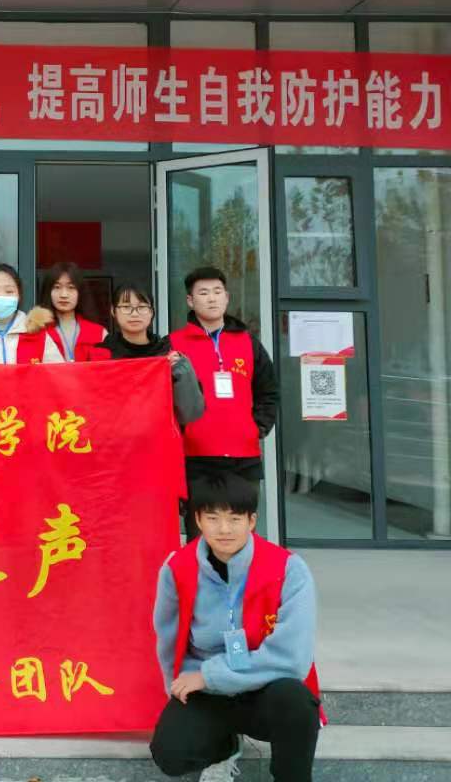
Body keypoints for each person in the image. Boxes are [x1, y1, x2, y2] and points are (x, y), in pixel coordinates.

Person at [149, 474, 323, 782]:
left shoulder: (288, 569)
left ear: (252, 521)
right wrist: (180, 687)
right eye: (213, 518)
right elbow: (168, 640)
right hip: (207, 692)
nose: (224, 529)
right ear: (198, 520)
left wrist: (210, 675)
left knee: (296, 703)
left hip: (264, 687)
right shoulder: (178, 568)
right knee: (170, 753)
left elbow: (293, 658)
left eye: (234, 518)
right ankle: (224, 747)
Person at [169, 266, 278, 540]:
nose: (212, 298)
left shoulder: (249, 343)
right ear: (190, 301)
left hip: (244, 456)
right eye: (203, 293)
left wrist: (257, 427)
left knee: (241, 533)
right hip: (196, 458)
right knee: (200, 534)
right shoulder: (173, 345)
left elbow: (268, 391)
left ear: (227, 298)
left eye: (217, 292)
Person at [101, 283, 205, 429]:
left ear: (151, 312)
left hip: (160, 439)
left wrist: (181, 372)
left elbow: (190, 414)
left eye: (142, 307)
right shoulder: (100, 355)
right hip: (115, 440)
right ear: (113, 311)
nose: (134, 313)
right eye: (126, 307)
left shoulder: (168, 353)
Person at [38, 261, 109, 362]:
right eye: (57, 287)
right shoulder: (38, 331)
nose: (64, 295)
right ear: (48, 292)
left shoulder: (99, 333)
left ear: (80, 292)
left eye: (71, 288)